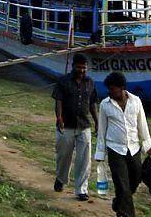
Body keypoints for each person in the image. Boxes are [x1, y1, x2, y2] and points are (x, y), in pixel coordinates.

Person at [95, 71, 151, 217]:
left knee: (136, 178)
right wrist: (100, 153)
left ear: (122, 87)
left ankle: (119, 202)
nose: (109, 92)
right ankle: (126, 213)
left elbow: (142, 125)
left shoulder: (136, 101)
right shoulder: (105, 105)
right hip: (115, 149)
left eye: (112, 89)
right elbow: (102, 130)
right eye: (109, 89)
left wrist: (148, 146)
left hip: (134, 148)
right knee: (121, 183)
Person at [52, 53, 98, 201]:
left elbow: (92, 103)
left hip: (84, 125)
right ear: (73, 66)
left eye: (84, 68)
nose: (82, 70)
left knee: (84, 159)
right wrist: (59, 118)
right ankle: (61, 178)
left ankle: (81, 190)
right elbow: (58, 100)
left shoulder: (90, 82)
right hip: (66, 125)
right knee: (64, 156)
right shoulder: (63, 81)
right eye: (79, 67)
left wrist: (97, 122)